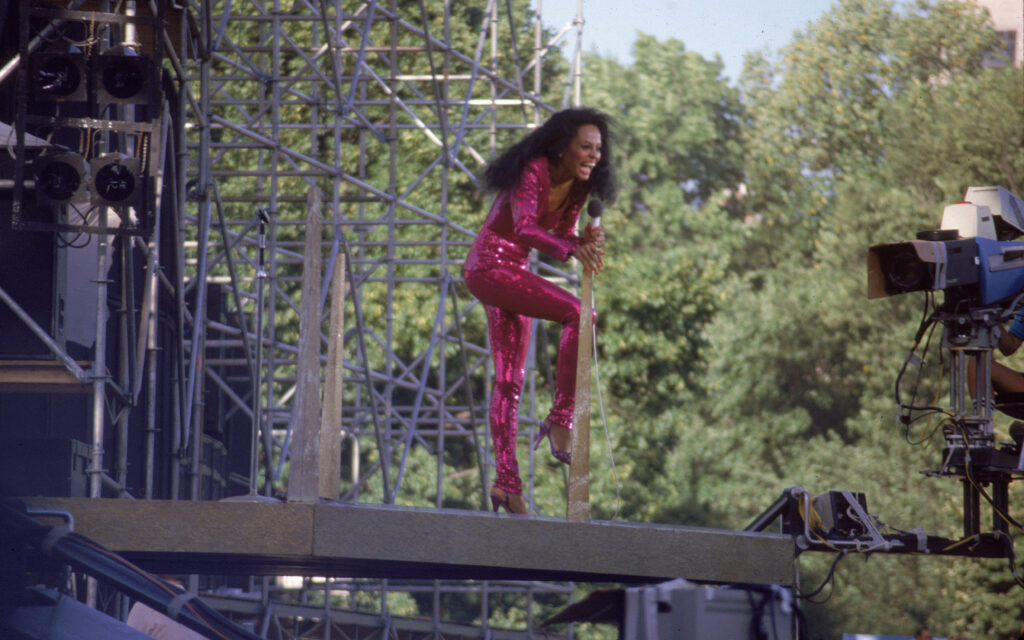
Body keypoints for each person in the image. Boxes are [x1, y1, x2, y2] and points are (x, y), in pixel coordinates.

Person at [464, 107, 617, 515]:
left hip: (512, 274)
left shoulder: (580, 188)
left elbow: (561, 233)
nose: (593, 156)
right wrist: (570, 249)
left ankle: (506, 484)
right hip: (488, 266)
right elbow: (526, 228)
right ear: (561, 147)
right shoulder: (533, 171)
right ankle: (560, 419)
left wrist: (579, 240)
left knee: (509, 382)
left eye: (598, 149)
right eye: (585, 147)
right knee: (580, 313)